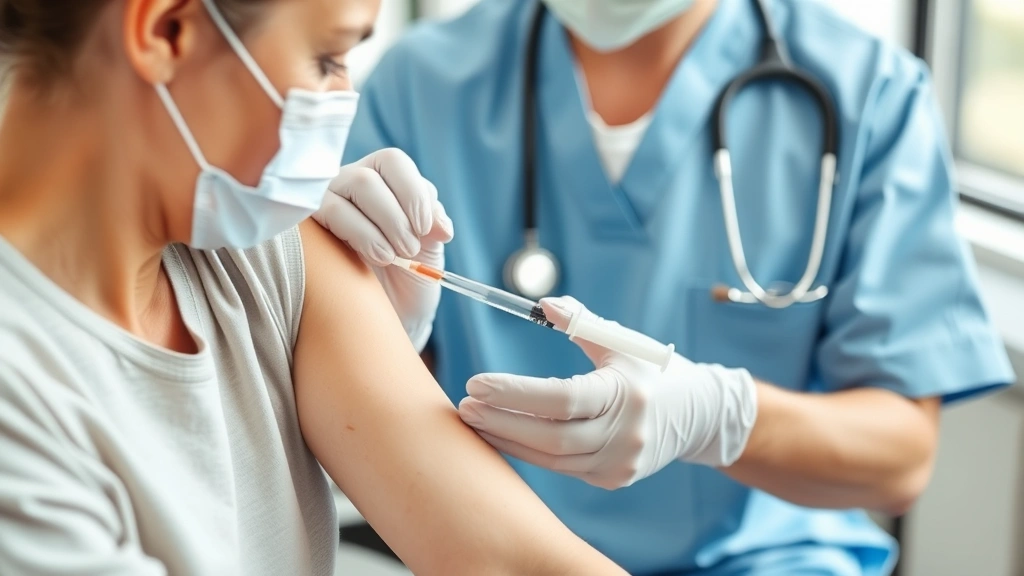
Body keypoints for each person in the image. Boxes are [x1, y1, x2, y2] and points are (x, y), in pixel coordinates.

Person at [318, 0, 1016, 574]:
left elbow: (898, 456)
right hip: (487, 547)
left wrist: (720, 415)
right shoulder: (422, 83)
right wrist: (389, 334)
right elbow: (357, 407)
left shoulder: (869, 92)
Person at [0, 0, 630, 574]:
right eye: (328, 57)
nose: (343, 97)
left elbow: (514, 559)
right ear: (167, 29)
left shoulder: (265, 249)